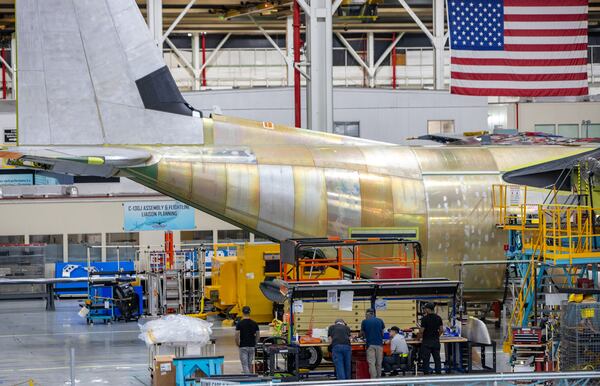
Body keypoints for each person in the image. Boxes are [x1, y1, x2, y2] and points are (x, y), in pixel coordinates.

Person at [419, 302, 444, 375]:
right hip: (435, 341)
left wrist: (419, 337)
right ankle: (438, 373)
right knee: (437, 358)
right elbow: (441, 330)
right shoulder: (438, 318)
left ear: (427, 309)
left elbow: (422, 330)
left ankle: (426, 373)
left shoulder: (424, 319)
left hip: (426, 342)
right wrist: (437, 336)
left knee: (426, 359)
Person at [361, 308, 385, 378]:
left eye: (366, 314)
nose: (365, 316)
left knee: (372, 363)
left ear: (368, 314)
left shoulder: (364, 321)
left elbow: (362, 333)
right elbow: (383, 333)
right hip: (379, 345)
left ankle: (373, 379)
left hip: (370, 345)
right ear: (373, 314)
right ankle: (379, 378)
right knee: (379, 363)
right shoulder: (380, 320)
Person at [235, 306, 260, 374]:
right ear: (250, 312)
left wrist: (238, 344)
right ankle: (250, 376)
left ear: (242, 313)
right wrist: (255, 343)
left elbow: (237, 335)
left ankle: (248, 378)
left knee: (245, 365)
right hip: (251, 346)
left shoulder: (239, 323)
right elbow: (258, 335)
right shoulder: (254, 323)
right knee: (249, 363)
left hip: (243, 346)